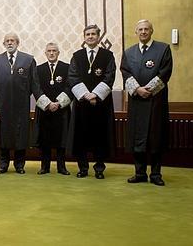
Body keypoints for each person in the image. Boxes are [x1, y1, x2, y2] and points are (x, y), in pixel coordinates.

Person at [121, 19, 173, 186]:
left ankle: (156, 174)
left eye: (146, 29)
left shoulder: (163, 49)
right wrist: (137, 89)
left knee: (156, 137)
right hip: (136, 102)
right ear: (136, 32)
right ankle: (140, 172)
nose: (143, 32)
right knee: (137, 136)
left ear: (152, 31)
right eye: (140, 29)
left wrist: (148, 90)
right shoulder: (129, 53)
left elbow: (165, 72)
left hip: (156, 102)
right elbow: (125, 72)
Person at [0, 32, 47, 174]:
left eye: (12, 40)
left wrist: (46, 104)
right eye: (7, 41)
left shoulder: (28, 60)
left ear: (17, 43)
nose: (9, 43)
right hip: (4, 107)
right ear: (3, 44)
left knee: (21, 136)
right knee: (3, 136)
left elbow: (35, 85)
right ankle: (3, 165)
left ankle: (19, 165)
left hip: (22, 107)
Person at [68, 24, 116, 179]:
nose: (90, 36)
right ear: (84, 37)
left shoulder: (108, 56)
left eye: (93, 34)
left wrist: (95, 95)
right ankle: (83, 168)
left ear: (98, 37)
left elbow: (110, 76)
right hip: (82, 104)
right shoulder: (77, 56)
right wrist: (86, 95)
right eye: (87, 34)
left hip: (101, 105)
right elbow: (72, 77)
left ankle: (99, 169)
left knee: (100, 137)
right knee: (81, 136)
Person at [32, 43, 72, 175]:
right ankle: (45, 167)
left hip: (61, 110)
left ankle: (62, 167)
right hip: (44, 110)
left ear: (58, 53)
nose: (51, 53)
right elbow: (36, 88)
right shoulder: (38, 69)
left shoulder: (66, 68)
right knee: (45, 140)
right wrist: (48, 104)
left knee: (62, 140)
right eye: (49, 51)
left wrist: (58, 103)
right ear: (45, 53)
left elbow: (70, 86)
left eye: (54, 51)